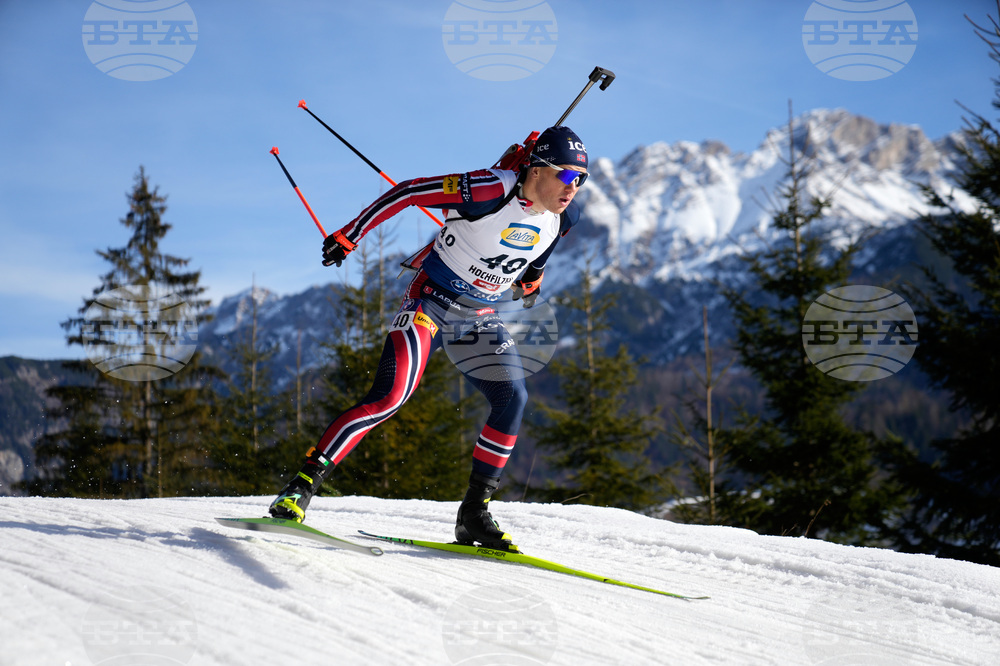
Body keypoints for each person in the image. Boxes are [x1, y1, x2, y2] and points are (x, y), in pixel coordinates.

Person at [269, 126, 589, 551]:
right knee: (391, 397)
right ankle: (300, 488)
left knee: (514, 398)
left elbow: (540, 251)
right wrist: (351, 234)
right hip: (431, 304)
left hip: (478, 315)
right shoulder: (489, 188)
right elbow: (408, 192)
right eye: (567, 176)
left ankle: (473, 515)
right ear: (537, 170)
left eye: (582, 179)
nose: (574, 188)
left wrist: (531, 280)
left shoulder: (565, 216)